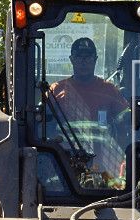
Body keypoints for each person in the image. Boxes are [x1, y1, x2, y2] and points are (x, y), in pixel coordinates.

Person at [49, 37, 130, 185]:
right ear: (71, 59)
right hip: (65, 165)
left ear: (95, 59)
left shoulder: (109, 90)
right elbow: (44, 129)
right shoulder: (56, 90)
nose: (84, 61)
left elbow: (127, 128)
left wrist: (126, 159)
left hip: (104, 168)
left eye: (88, 57)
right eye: (79, 57)